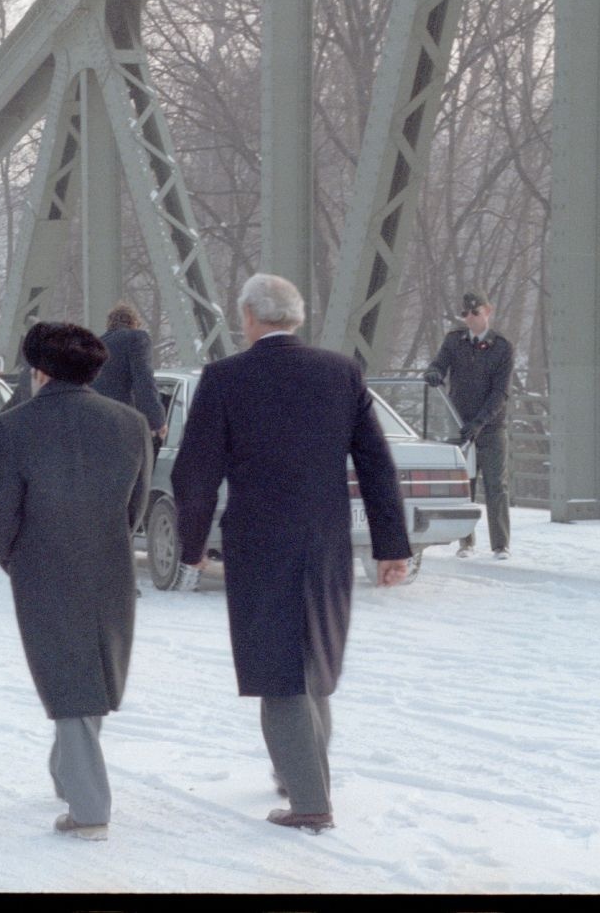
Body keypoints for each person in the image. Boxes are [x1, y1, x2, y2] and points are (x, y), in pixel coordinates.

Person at [171, 272, 410, 833]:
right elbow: (376, 463)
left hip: (259, 541)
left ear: (249, 317)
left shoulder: (226, 377)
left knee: (278, 669)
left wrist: (189, 544)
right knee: (315, 661)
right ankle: (302, 773)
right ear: (296, 318)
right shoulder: (340, 372)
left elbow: (196, 471)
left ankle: (309, 803)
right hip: (326, 539)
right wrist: (391, 545)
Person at [0, 322, 151, 842]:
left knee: (68, 679)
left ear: (38, 370)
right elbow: (136, 506)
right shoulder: (132, 422)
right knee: (92, 670)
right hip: (110, 561)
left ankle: (89, 807)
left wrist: (15, 559)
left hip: (42, 562)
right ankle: (68, 772)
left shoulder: (13, 428)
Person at [423, 290, 514, 559]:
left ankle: (501, 544)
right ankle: (466, 542)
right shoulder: (455, 341)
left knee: (496, 485)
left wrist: (480, 422)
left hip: (491, 426)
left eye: (475, 312)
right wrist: (434, 372)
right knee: (464, 483)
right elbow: (440, 363)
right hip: (458, 423)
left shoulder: (502, 347)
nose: (470, 318)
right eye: (466, 314)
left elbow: (500, 392)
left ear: (488, 311)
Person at [91, 302, 168, 454]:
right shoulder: (135, 338)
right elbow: (144, 381)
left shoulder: (95, 345)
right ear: (134, 322)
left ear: (109, 324)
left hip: (94, 428)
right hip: (122, 427)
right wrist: (157, 421)